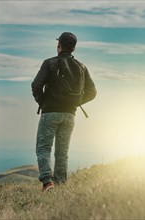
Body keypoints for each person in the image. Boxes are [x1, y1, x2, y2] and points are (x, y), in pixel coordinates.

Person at [31, 32, 97, 192]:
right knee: (62, 151)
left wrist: (44, 102)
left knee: (44, 148)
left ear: (59, 45)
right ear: (73, 48)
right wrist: (74, 103)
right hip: (70, 115)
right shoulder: (82, 67)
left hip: (50, 113)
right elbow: (92, 92)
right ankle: (60, 185)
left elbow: (36, 85)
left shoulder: (49, 63)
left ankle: (47, 183)